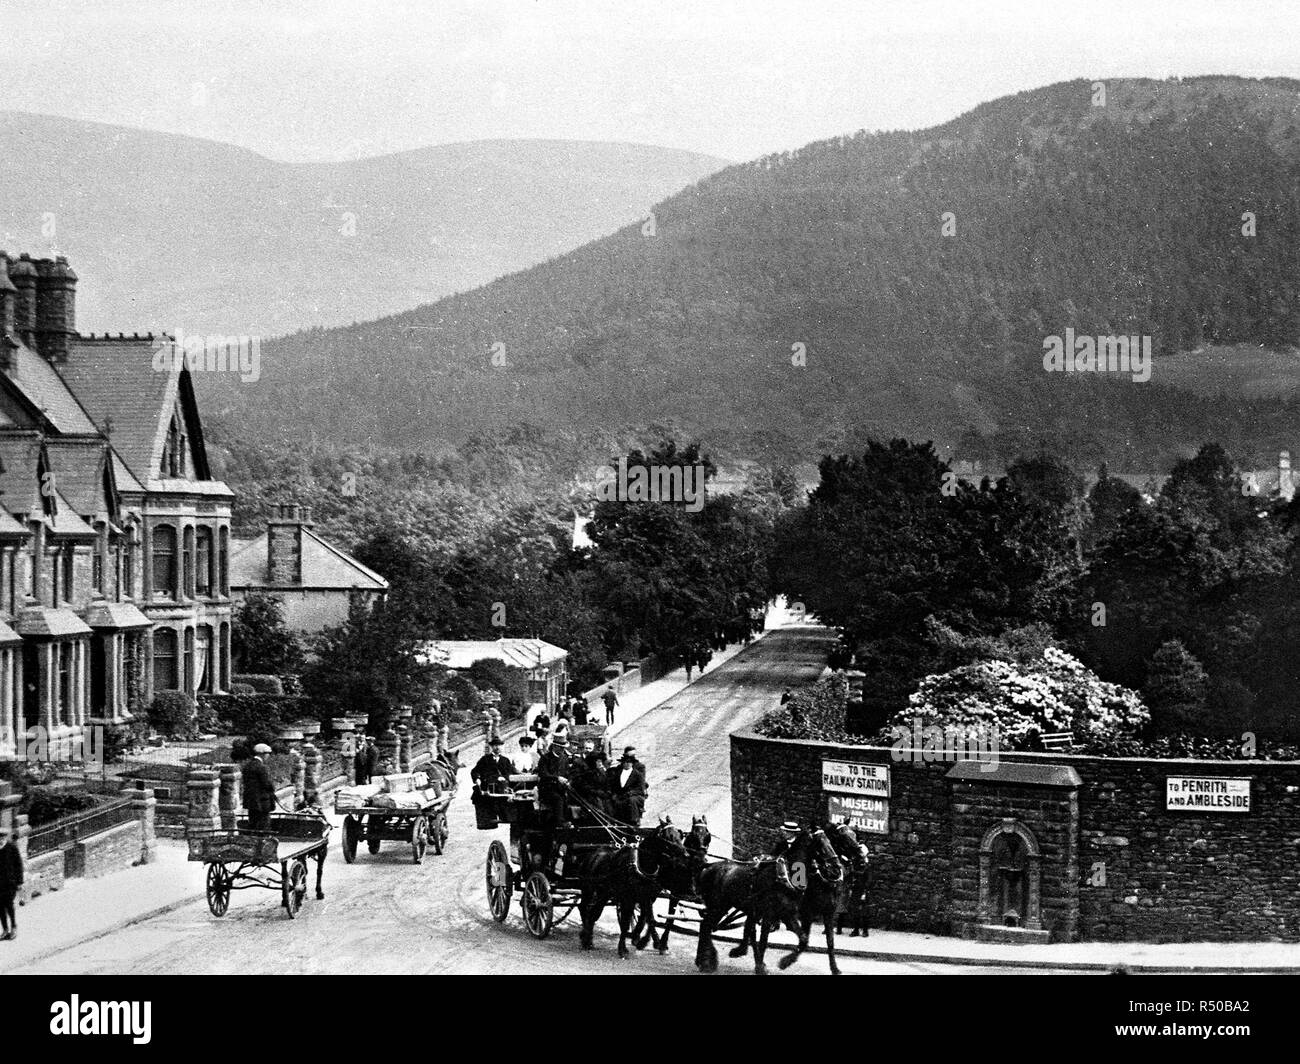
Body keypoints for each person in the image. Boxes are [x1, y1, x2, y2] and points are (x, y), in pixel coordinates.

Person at [537, 730, 574, 830]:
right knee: (558, 799)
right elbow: (543, 774)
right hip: (547, 788)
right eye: (561, 748)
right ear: (555, 746)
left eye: (563, 748)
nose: (562, 750)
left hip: (560, 788)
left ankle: (568, 821)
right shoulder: (545, 758)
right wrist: (557, 778)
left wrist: (568, 781)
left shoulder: (564, 758)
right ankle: (560, 822)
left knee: (568, 797)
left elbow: (568, 773)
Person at [241, 743, 278, 833]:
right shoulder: (261, 767)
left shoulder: (247, 766)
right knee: (264, 824)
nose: (268, 756)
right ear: (262, 754)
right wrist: (272, 788)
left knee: (253, 823)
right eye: (267, 754)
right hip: (262, 801)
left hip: (251, 801)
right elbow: (267, 784)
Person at [607, 749, 647, 826]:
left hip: (634, 796)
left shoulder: (638, 775)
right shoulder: (618, 773)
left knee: (631, 801)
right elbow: (614, 786)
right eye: (625, 762)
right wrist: (614, 794)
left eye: (629, 762)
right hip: (620, 795)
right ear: (622, 763)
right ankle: (616, 822)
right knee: (613, 802)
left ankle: (633, 822)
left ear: (632, 763)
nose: (627, 764)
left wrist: (630, 793)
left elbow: (640, 789)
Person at [0, 825, 23, 941]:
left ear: (5, 837)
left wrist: (19, 882)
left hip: (10, 883)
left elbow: (19, 865)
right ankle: (5, 930)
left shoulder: (11, 848)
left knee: (9, 905)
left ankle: (13, 927)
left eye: (2, 837)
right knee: (0, 908)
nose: (0, 839)